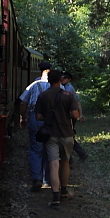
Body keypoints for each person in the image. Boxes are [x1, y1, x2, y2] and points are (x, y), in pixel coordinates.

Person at [34, 69, 81, 209]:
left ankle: (55, 197)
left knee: (53, 165)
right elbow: (75, 115)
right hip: (66, 134)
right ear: (60, 80)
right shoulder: (68, 95)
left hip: (51, 134)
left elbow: (38, 116)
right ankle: (64, 191)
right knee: (65, 162)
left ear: (48, 80)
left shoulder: (43, 95)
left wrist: (49, 116)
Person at [18, 62, 53, 192]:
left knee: (35, 148)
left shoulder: (33, 85)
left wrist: (23, 117)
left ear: (40, 73)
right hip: (51, 119)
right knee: (50, 148)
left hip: (35, 117)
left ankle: (36, 179)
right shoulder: (57, 86)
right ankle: (48, 179)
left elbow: (22, 103)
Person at [60, 71, 89, 163]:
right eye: (62, 77)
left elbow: (76, 102)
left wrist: (80, 114)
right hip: (69, 115)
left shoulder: (68, 89)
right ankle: (74, 156)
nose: (62, 79)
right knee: (67, 135)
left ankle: (75, 155)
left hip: (70, 115)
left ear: (69, 79)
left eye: (65, 78)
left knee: (67, 135)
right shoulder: (65, 87)